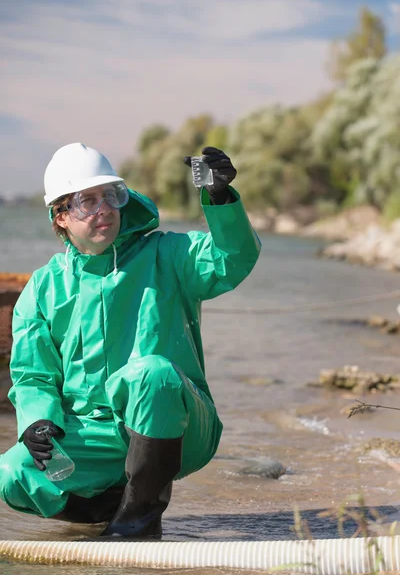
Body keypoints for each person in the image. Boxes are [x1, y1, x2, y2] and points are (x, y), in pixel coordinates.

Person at [0, 142, 261, 538]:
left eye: (110, 196)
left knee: (150, 374)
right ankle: (114, 508)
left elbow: (233, 257)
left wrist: (219, 197)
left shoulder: (169, 254)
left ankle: (137, 520)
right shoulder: (42, 288)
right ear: (61, 217)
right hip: (97, 435)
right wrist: (37, 421)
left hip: (180, 424)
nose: (104, 208)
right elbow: (33, 376)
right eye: (87, 201)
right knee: (13, 473)